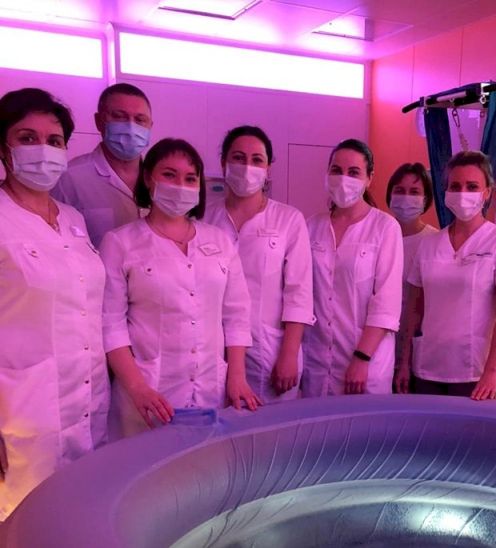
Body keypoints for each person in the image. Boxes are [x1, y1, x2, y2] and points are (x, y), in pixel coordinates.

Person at [100, 138, 259, 439]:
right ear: (148, 178)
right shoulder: (120, 243)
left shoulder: (220, 241)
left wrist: (237, 376)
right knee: (148, 463)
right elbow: (111, 325)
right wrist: (137, 387)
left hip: (211, 387)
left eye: (190, 178)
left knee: (205, 462)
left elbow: (237, 315)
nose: (180, 185)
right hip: (149, 392)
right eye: (169, 175)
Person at [0, 88, 110, 519]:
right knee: (24, 522)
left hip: (87, 401)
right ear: (4, 148)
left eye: (54, 140)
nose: (43, 150)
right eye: (27, 138)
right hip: (23, 412)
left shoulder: (73, 219)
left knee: (78, 515)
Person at [395, 151, 496, 399]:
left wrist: (491, 372)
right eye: (455, 186)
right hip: (427, 367)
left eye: (472, 186)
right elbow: (414, 311)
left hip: (476, 373)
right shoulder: (429, 244)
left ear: (487, 192)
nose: (463, 193)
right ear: (445, 192)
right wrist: (404, 362)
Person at [203, 126, 314, 404]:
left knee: (273, 426)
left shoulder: (289, 219)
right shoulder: (206, 219)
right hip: (214, 346)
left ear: (268, 168)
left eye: (257, 160)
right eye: (238, 158)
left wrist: (289, 354)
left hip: (270, 350)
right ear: (223, 163)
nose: (247, 167)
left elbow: (299, 293)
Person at [302, 139, 403, 396]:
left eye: (354, 172)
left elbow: (386, 304)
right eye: (336, 170)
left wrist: (361, 358)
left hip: (366, 364)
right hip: (317, 360)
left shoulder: (385, 228)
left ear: (369, 179)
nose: (344, 178)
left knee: (363, 422)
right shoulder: (311, 227)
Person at [53, 83, 153, 247]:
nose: (131, 127)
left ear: (150, 126)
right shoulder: (69, 179)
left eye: (140, 120)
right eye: (119, 116)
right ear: (99, 121)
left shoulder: (160, 178)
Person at [385, 162, 438, 383]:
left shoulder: (434, 242)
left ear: (426, 199)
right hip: (378, 345)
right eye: (399, 190)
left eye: (414, 192)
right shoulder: (380, 235)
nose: (406, 197)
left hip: (417, 351)